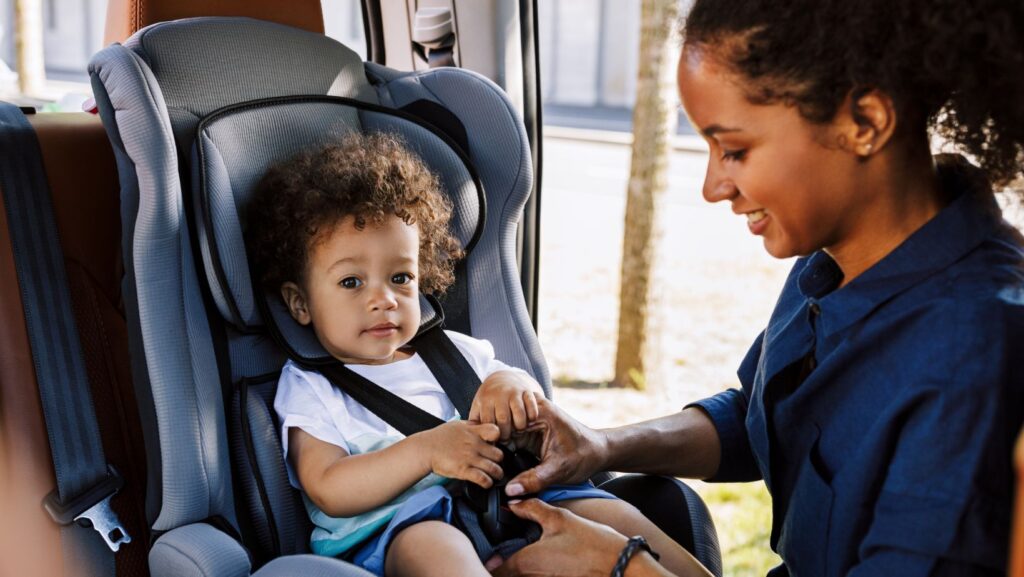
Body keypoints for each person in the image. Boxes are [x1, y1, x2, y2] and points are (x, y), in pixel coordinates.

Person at [495, 1, 1024, 576]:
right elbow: (760, 417)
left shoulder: (973, 354)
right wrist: (602, 446)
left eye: (735, 150)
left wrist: (623, 567)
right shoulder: (831, 261)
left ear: (865, 123)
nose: (713, 186)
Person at [244, 133, 708, 577]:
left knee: (610, 514)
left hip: (508, 497)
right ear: (300, 303)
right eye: (351, 282)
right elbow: (327, 485)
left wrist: (511, 388)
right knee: (433, 545)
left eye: (401, 278)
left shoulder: (456, 354)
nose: (383, 298)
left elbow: (522, 389)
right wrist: (426, 450)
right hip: (400, 525)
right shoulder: (311, 387)